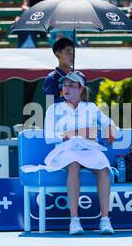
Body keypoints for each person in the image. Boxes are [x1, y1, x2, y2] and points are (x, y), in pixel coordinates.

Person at [43, 71, 118, 235]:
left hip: (90, 149)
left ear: (81, 89)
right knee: (74, 165)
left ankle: (105, 220)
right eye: (64, 85)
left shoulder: (91, 107)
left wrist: (110, 129)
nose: (66, 88)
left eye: (71, 85)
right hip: (66, 150)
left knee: (104, 167)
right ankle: (74, 221)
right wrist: (77, 133)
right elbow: (49, 137)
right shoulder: (54, 109)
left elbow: (109, 123)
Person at [43, 38, 75, 103]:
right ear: (57, 55)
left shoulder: (79, 76)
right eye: (68, 53)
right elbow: (49, 104)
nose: (72, 56)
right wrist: (68, 97)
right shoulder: (51, 79)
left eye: (73, 52)